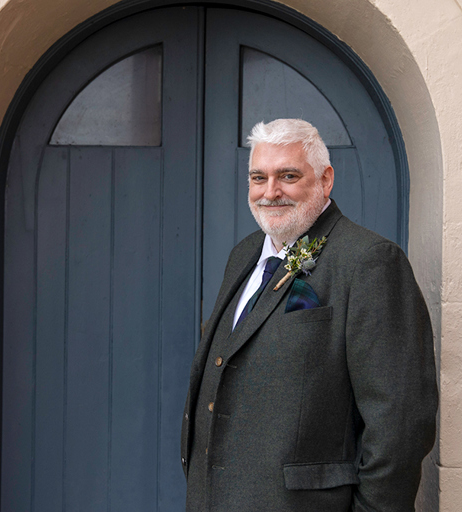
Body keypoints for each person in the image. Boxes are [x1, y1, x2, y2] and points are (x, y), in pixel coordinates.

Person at [181, 119, 438, 511]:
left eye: (288, 175)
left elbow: (400, 424)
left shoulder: (369, 262)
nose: (271, 192)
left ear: (325, 179)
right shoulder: (244, 255)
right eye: (258, 177)